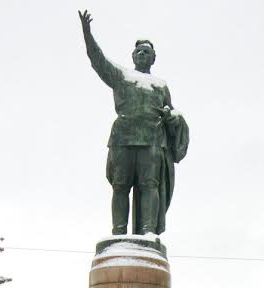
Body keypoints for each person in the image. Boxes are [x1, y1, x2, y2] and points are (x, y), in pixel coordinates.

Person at [79, 10, 189, 236]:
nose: (141, 53)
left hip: (153, 142)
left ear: (153, 58)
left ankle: (148, 231)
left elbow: (173, 112)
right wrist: (87, 34)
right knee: (120, 186)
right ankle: (118, 233)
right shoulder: (122, 76)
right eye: (138, 51)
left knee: (150, 185)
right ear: (132, 56)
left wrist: (173, 115)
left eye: (146, 51)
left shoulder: (160, 85)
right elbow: (98, 60)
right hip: (123, 139)